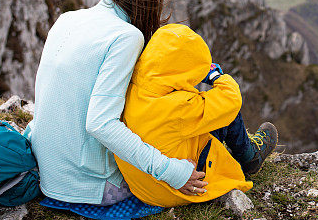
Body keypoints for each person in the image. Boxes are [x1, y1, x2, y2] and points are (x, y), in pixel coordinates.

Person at [26, 0, 207, 205]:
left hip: (46, 172)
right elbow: (100, 124)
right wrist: (173, 172)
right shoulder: (125, 36)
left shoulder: (67, 18)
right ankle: (246, 153)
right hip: (88, 186)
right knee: (190, 120)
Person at [116, 23, 277, 207]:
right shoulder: (180, 107)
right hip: (174, 187)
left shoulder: (130, 85)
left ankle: (241, 153)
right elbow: (231, 99)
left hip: (142, 185)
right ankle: (250, 157)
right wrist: (216, 75)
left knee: (207, 111)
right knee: (221, 108)